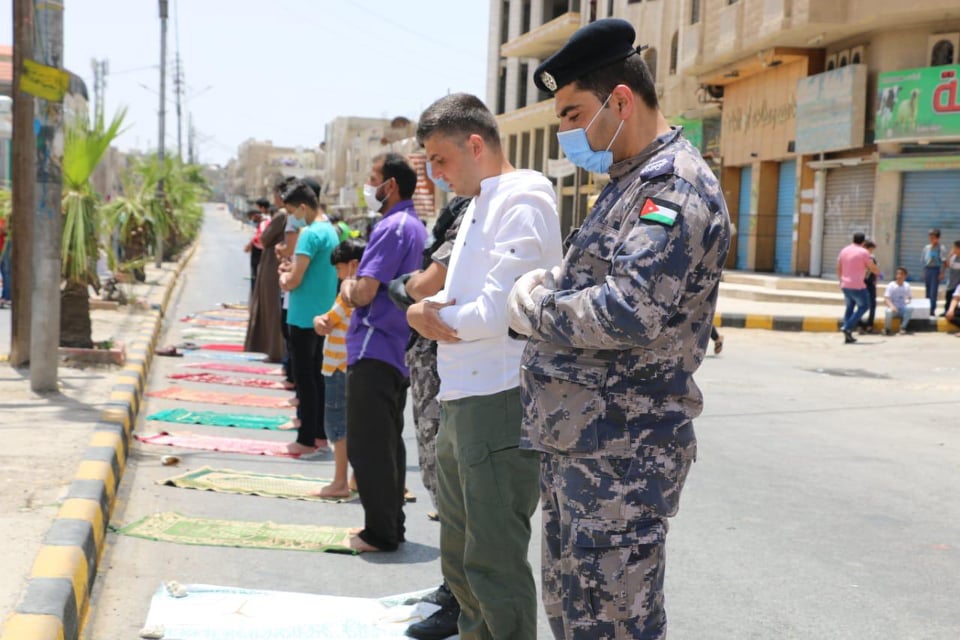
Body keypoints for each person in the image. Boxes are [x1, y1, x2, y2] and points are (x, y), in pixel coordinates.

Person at [508, 19, 731, 639]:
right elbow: (591, 275)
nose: (566, 131)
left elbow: (628, 308)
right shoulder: (627, 182)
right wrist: (552, 283)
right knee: (577, 619)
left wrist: (533, 310)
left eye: (573, 113)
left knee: (615, 624)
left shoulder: (673, 188)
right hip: (582, 446)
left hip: (622, 457)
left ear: (621, 100)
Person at [407, 92, 563, 639]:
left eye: (441, 160)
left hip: (498, 399)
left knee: (493, 564)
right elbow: (452, 299)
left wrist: (428, 315)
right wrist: (426, 310)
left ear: (476, 144)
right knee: (462, 564)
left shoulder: (525, 197)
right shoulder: (481, 200)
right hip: (461, 397)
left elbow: (499, 312)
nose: (436, 174)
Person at [387, 195, 471, 640]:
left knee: (452, 489)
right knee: (441, 486)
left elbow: (421, 286)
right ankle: (452, 586)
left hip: (449, 369)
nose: (438, 172)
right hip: (434, 365)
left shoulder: (472, 210)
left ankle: (461, 598)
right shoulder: (462, 205)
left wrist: (404, 287)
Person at [341, 152, 427, 553]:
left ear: (389, 185)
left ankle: (380, 532)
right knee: (388, 441)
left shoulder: (393, 227)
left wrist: (346, 285)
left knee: (368, 444)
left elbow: (364, 291)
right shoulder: (414, 226)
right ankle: (391, 525)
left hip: (376, 345)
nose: (368, 185)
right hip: (396, 348)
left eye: (372, 178)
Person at [278, 180, 339, 456]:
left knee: (305, 380)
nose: (291, 216)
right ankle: (319, 434)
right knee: (317, 377)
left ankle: (305, 439)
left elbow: (295, 278)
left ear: (303, 207)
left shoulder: (309, 234)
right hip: (324, 314)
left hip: (303, 317)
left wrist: (283, 277)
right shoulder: (331, 231)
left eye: (291, 210)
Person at [311, 239, 365, 497]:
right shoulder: (363, 292)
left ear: (352, 265)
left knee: (337, 426)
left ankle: (339, 481)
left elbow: (327, 322)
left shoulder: (347, 296)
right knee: (353, 424)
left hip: (337, 367)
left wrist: (316, 320)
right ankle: (353, 479)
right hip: (351, 365)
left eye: (338, 269)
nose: (337, 274)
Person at [244, 191, 288, 362]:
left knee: (272, 308)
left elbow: (264, 237)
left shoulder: (281, 216)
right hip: (273, 262)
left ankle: (275, 351)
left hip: (273, 264)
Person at [837, 232, 879, 344]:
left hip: (845, 285)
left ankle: (848, 335)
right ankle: (847, 326)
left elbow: (839, 266)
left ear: (853, 239)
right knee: (865, 306)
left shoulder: (844, 250)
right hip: (857, 285)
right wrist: (878, 272)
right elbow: (871, 266)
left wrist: (841, 280)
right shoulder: (863, 252)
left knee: (849, 308)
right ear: (863, 242)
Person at [921, 228, 948, 316]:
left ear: (937, 238)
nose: (931, 239)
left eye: (933, 237)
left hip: (935, 270)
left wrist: (942, 273)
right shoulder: (926, 248)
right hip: (927, 269)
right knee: (927, 291)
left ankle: (932, 310)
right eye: (930, 237)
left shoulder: (941, 248)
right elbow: (924, 261)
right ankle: (926, 309)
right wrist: (924, 272)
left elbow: (945, 262)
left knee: (933, 292)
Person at [883, 267, 913, 336]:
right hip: (893, 308)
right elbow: (886, 298)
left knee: (910, 309)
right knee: (888, 312)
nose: (899, 276)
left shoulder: (907, 285)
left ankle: (903, 328)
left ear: (905, 276)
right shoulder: (891, 285)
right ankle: (887, 329)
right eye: (897, 274)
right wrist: (892, 306)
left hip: (902, 308)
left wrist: (908, 300)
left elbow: (910, 297)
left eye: (901, 274)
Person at [858, 240, 879, 333]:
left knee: (870, 304)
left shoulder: (871, 258)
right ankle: (863, 326)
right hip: (864, 284)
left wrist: (876, 280)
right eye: (870, 249)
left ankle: (867, 325)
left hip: (868, 283)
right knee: (864, 304)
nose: (871, 251)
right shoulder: (863, 258)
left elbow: (875, 272)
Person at [942, 240, 960, 316]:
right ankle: (946, 312)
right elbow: (947, 265)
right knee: (948, 299)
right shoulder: (953, 257)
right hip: (950, 283)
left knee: (954, 301)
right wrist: (949, 256)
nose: (953, 249)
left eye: (955, 248)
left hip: (957, 286)